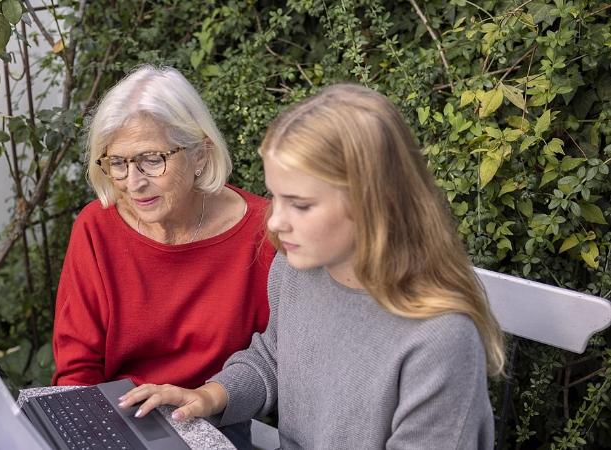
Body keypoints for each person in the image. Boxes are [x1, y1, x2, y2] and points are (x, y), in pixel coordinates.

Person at [118, 84, 505, 449]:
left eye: (300, 205)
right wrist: (210, 396)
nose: (275, 221)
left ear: (373, 203)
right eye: (275, 197)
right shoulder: (296, 270)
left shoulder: (440, 340)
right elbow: (273, 357)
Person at [51, 65, 274, 447]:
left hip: (213, 424)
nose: (133, 182)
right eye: (118, 163)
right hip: (115, 421)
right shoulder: (96, 227)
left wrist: (211, 400)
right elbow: (76, 369)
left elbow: (277, 361)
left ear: (200, 154)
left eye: (152, 160)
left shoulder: (263, 233)